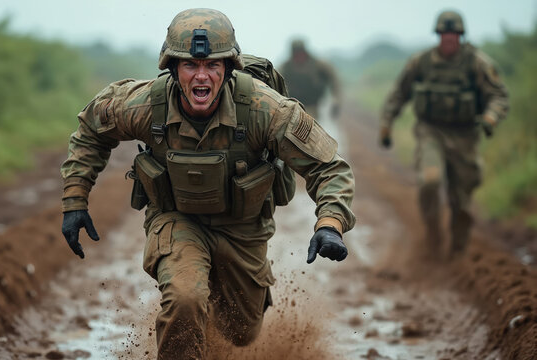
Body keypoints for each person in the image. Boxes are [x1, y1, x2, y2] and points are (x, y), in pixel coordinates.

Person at [60, 8, 355, 359]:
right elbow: (91, 130)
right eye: (190, 66)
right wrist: (75, 199)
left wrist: (330, 223)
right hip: (176, 219)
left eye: (213, 65)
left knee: (241, 333)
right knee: (185, 297)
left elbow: (329, 168)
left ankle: (240, 295)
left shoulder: (265, 110)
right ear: (172, 69)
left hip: (243, 229)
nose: (202, 77)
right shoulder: (143, 104)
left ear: (229, 69)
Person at [379, 10, 509, 258]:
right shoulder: (422, 62)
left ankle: (457, 253)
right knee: (430, 180)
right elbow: (399, 93)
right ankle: (433, 233)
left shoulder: (477, 63)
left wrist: (491, 117)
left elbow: (498, 95)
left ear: (460, 36)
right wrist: (387, 123)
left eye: (454, 35)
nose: (449, 40)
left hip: (465, 136)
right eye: (444, 35)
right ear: (438, 36)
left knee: (462, 201)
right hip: (431, 132)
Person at [280, 39, 342, 119]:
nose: (299, 57)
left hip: (312, 106)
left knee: (309, 126)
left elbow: (334, 79)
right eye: (296, 54)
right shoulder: (285, 68)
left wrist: (336, 100)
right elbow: (275, 81)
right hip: (292, 107)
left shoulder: (318, 65)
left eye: (301, 53)